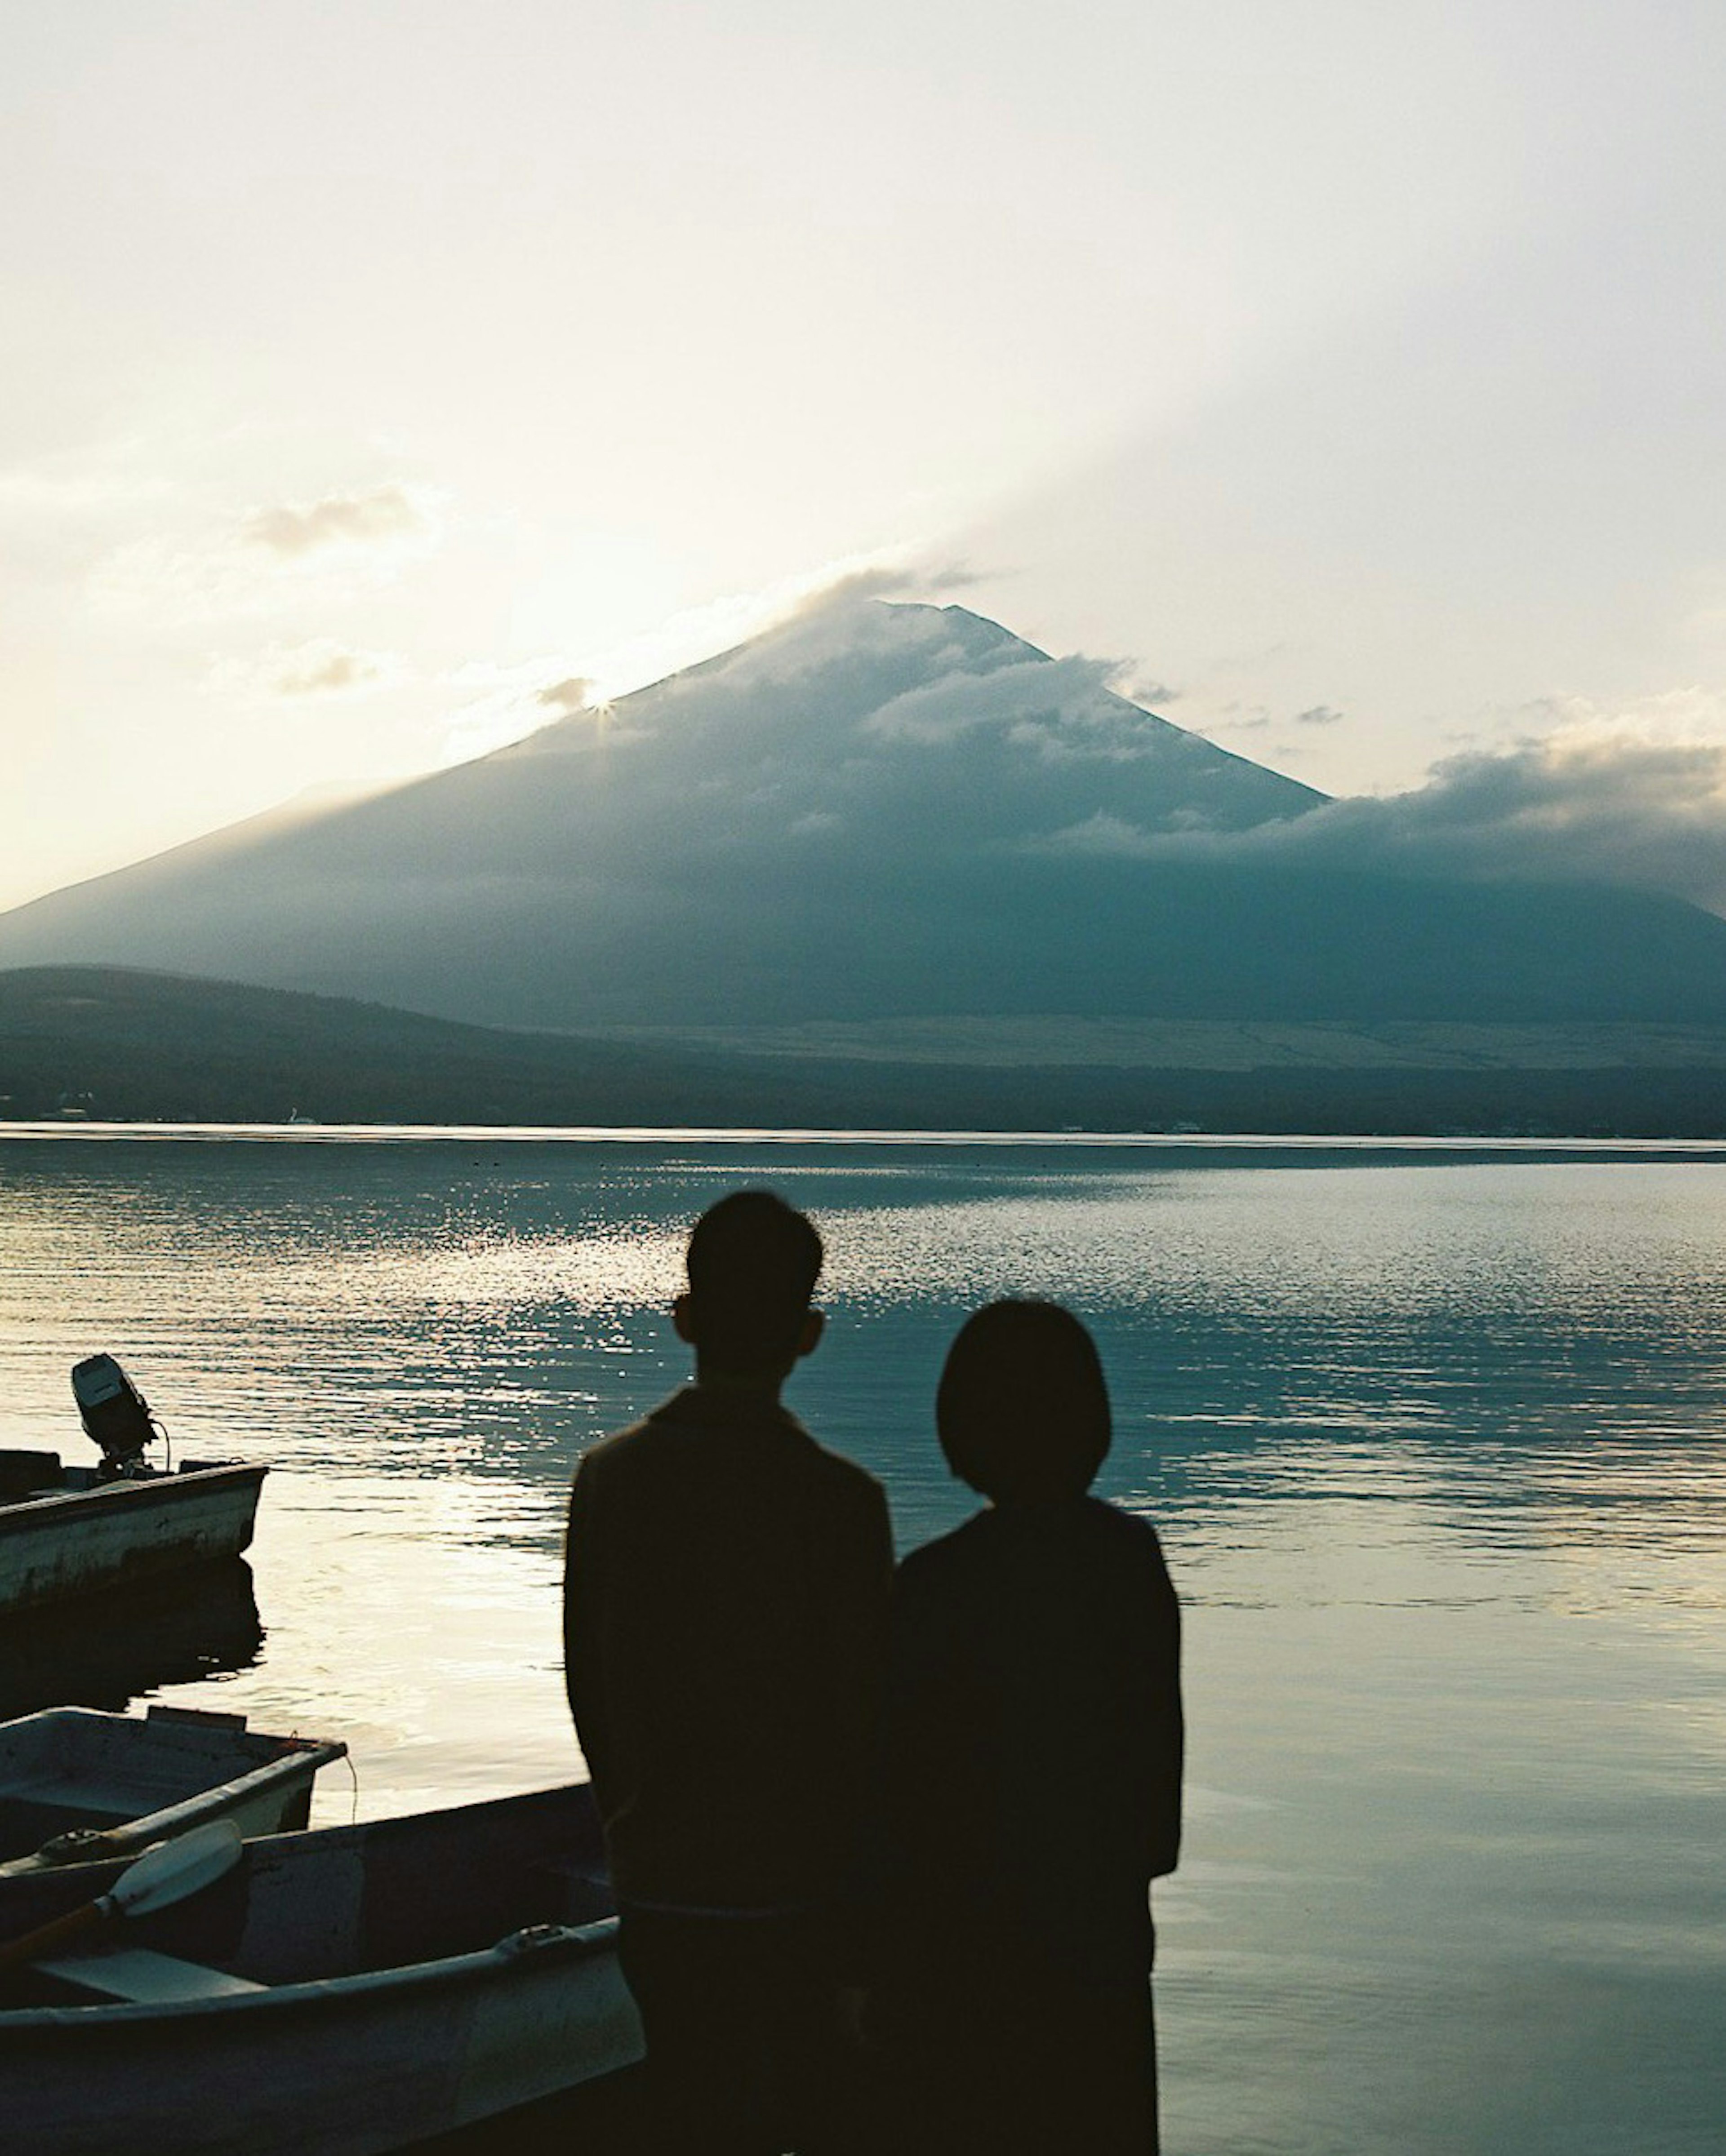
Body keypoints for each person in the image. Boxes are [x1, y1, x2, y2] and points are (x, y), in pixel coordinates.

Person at [564, 1189, 894, 2155]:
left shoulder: (609, 1480)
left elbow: (592, 1683)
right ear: (810, 1333)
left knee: (686, 2109)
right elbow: (865, 1721)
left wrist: (628, 1817)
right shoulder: (844, 1502)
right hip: (801, 1888)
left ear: (685, 1317)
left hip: (660, 1871)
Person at [877, 1300, 1183, 2155]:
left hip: (958, 1958)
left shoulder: (933, 1587)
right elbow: (1155, 1808)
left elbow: (900, 1803)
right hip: (1100, 1946)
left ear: (961, 1429)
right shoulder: (1129, 1561)